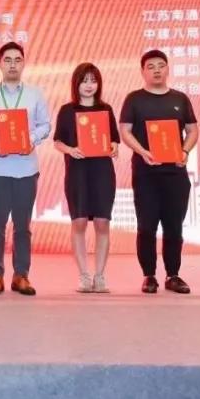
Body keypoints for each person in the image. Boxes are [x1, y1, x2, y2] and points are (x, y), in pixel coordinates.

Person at [0, 42, 51, 296]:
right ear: (0, 64)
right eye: (8, 60)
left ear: (24, 63)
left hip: (26, 169)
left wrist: (31, 139)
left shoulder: (35, 94)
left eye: (17, 60)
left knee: (23, 226)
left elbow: (45, 125)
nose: (13, 65)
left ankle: (21, 275)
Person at [118, 49, 198, 295]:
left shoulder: (180, 98)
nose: (156, 70)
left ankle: (173, 275)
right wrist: (142, 151)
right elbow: (125, 130)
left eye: (161, 65)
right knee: (147, 226)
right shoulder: (134, 99)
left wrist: (184, 151)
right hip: (146, 173)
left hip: (175, 172)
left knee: (174, 226)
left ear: (168, 69)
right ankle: (149, 275)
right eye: (150, 66)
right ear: (143, 71)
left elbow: (192, 130)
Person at [52, 63, 119, 293]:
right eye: (84, 80)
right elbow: (57, 141)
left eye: (93, 80)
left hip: (102, 172)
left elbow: (114, 140)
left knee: (102, 223)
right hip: (77, 172)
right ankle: (83, 275)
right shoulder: (67, 110)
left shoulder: (106, 109)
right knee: (78, 222)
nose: (89, 85)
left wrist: (114, 146)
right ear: (76, 84)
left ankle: (99, 276)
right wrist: (70, 150)